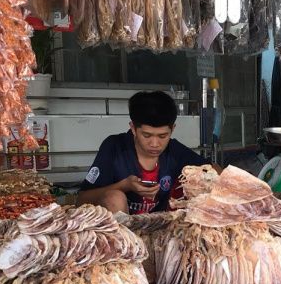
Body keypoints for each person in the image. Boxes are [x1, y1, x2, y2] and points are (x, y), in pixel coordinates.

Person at [77, 91, 206, 214]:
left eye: (162, 136)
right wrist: (124, 185)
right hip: (119, 226)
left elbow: (211, 170)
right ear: (133, 128)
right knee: (114, 198)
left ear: (172, 129)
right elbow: (81, 199)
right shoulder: (115, 148)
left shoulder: (174, 150)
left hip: (159, 224)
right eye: (146, 135)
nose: (155, 144)